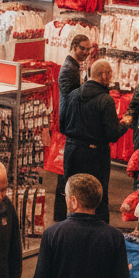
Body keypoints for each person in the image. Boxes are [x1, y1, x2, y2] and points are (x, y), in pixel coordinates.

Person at [60, 60, 131, 224]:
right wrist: (125, 124)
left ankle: (72, 229)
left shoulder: (73, 94)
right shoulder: (106, 100)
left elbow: (62, 124)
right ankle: (98, 236)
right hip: (95, 154)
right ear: (104, 75)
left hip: (71, 151)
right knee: (96, 196)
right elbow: (112, 134)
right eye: (110, 74)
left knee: (72, 193)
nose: (111, 78)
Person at [55, 34, 92, 221]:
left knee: (66, 175)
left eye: (88, 49)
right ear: (74, 46)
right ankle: (62, 214)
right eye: (82, 49)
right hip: (69, 123)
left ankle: (61, 213)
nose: (85, 52)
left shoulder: (74, 66)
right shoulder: (69, 68)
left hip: (70, 122)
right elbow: (71, 98)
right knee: (67, 175)